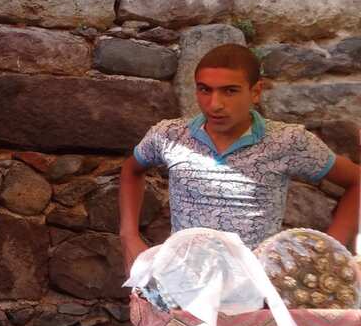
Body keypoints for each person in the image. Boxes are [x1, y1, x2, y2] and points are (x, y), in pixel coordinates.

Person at [119, 43, 359, 268]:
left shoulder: (288, 141)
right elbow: (131, 170)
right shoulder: (169, 135)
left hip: (257, 290)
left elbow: (356, 181)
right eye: (205, 90)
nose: (215, 104)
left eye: (230, 91)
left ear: (256, 92)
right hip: (182, 284)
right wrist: (128, 235)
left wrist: (329, 251)